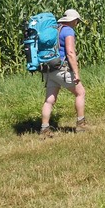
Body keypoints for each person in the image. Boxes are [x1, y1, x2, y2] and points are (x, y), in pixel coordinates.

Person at [40, 9, 87, 137]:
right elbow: (70, 52)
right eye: (77, 21)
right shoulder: (68, 30)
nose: (77, 23)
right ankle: (81, 125)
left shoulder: (55, 29)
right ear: (73, 20)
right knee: (80, 93)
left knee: (49, 101)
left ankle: (44, 129)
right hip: (62, 69)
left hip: (49, 69)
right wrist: (76, 73)